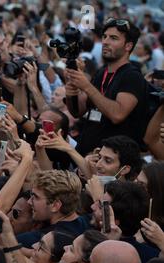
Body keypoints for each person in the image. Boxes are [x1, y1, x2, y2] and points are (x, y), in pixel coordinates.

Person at [65, 18, 148, 156]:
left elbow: (117, 114)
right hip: (87, 156)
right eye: (104, 37)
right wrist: (71, 91)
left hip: (112, 163)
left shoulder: (132, 76)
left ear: (128, 46)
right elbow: (77, 111)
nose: (105, 42)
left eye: (113, 38)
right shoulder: (101, 72)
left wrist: (86, 86)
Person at [17, 170, 91, 248]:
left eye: (35, 197)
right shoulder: (90, 221)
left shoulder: (35, 240)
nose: (29, 202)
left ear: (55, 205)